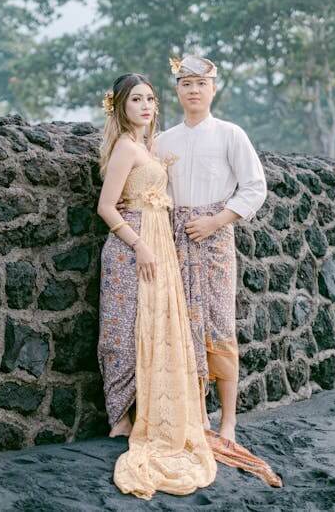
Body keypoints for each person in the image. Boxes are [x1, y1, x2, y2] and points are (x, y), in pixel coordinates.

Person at [96, 73, 217, 500]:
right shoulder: (125, 148)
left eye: (150, 99)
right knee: (124, 328)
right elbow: (106, 206)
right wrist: (140, 245)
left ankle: (145, 412)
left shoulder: (151, 146)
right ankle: (120, 419)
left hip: (159, 244)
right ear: (121, 107)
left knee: (156, 323)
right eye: (136, 100)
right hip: (133, 244)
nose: (146, 106)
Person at [154, 55, 268, 443]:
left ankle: (229, 423)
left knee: (219, 324)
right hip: (174, 240)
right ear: (177, 90)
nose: (194, 91)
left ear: (213, 89)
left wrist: (216, 221)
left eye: (201, 84)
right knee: (183, 326)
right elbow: (157, 190)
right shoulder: (163, 141)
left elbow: (254, 186)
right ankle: (197, 417)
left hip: (215, 240)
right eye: (186, 84)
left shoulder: (230, 134)